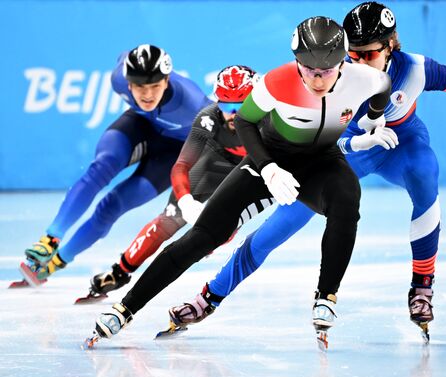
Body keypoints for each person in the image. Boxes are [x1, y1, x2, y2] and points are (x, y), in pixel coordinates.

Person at [165, 2, 446, 341]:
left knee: (426, 176)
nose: (357, 62)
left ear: (392, 46)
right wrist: (352, 144)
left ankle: (422, 287)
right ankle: (209, 296)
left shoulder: (418, 70)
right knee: (277, 229)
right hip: (343, 153)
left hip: (401, 145)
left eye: (368, 53)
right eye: (352, 54)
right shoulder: (327, 78)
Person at [89, 16, 395, 346]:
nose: (318, 79)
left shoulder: (364, 78)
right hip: (270, 160)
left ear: (343, 62)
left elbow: (383, 87)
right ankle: (125, 309)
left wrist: (373, 120)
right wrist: (268, 169)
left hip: (322, 162)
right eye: (308, 69)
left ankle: (326, 296)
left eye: (327, 70)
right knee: (201, 238)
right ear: (296, 61)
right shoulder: (277, 83)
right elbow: (246, 125)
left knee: (348, 202)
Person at [20, 44, 212, 286]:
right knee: (101, 168)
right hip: (139, 125)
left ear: (166, 81)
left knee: (112, 206)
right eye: (141, 87)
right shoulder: (117, 79)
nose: (148, 95)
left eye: (155, 86)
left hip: (173, 153)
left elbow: (221, 139)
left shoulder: (193, 104)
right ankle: (50, 239)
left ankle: (56, 262)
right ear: (128, 83)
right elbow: (124, 58)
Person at [81, 65, 274, 301]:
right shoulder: (208, 118)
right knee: (169, 220)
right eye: (226, 105)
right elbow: (181, 166)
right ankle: (119, 272)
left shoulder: (274, 119)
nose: (233, 114)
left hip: (252, 167)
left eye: (241, 105)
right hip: (213, 161)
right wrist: (185, 200)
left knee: (217, 231)